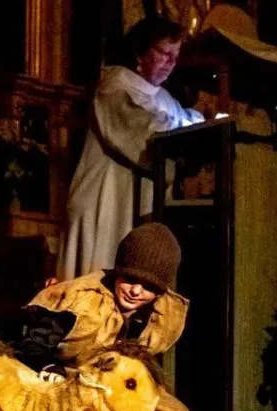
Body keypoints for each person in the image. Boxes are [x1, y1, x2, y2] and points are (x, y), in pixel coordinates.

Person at [17, 223, 201, 411]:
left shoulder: (157, 317)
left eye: (148, 287)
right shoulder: (81, 301)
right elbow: (31, 346)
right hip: (72, 380)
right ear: (118, 271)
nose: (136, 291)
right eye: (130, 279)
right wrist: (50, 368)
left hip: (118, 388)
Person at [58, 18, 204, 280]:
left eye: (175, 56)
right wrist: (192, 128)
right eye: (164, 53)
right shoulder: (114, 87)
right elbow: (145, 130)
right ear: (140, 52)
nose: (171, 62)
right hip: (106, 202)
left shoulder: (165, 99)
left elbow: (184, 124)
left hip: (137, 207)